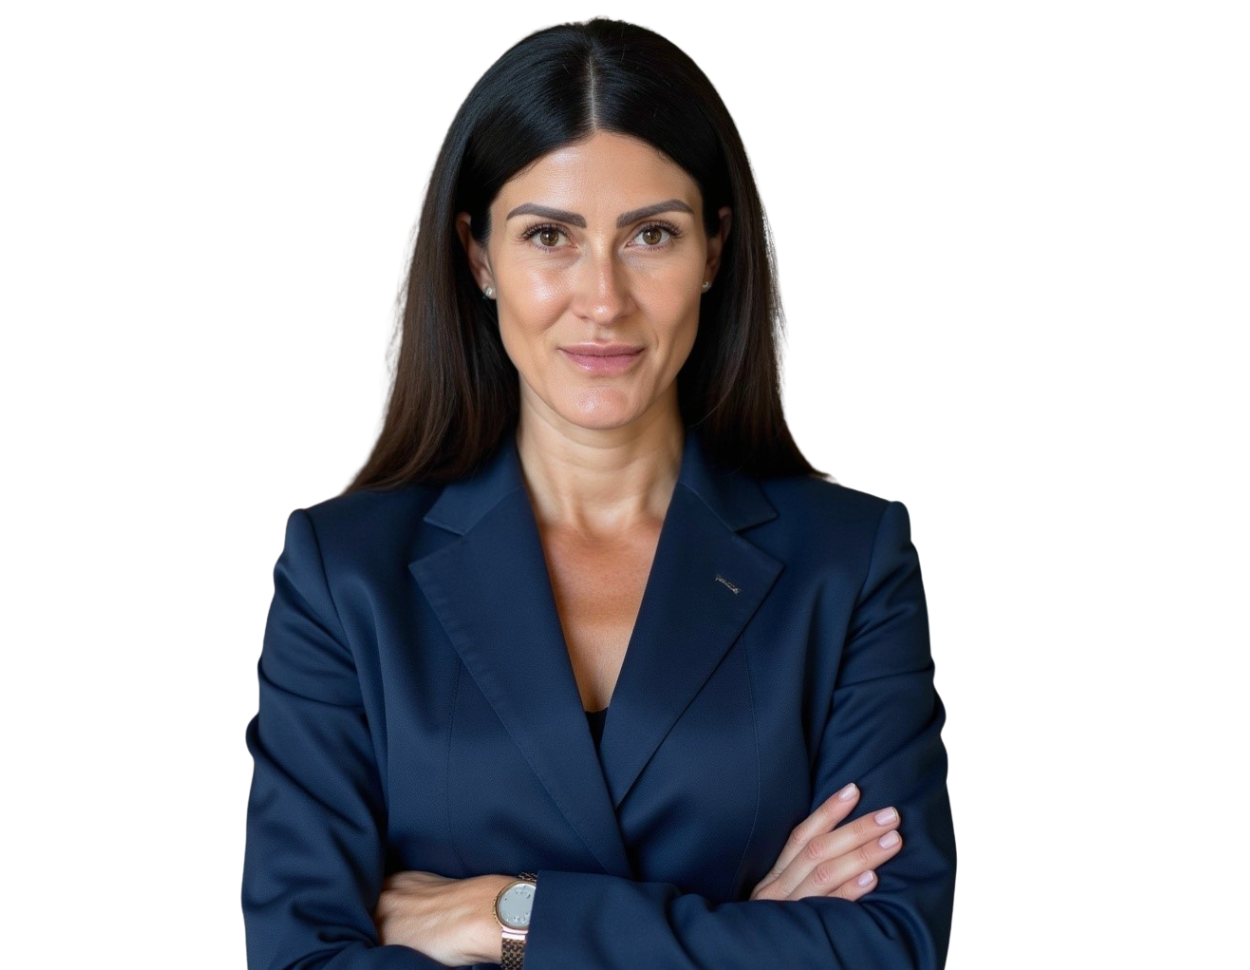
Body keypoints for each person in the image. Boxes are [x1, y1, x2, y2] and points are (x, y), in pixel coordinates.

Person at [242, 15, 955, 970]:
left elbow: (890, 947)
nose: (604, 299)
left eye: (651, 235)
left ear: (714, 250)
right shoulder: (342, 573)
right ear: (479, 256)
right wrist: (757, 934)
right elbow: (298, 959)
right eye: (550, 236)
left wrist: (509, 918)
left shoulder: (852, 561)